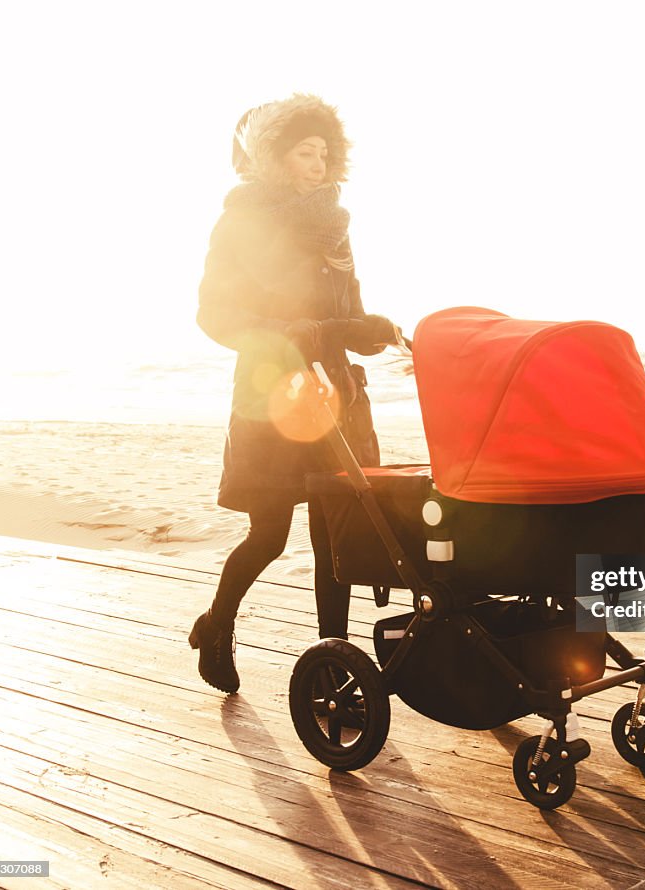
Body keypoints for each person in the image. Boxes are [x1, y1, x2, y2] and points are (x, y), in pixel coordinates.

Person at [189, 94, 400, 693]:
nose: (318, 162)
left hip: (334, 396)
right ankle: (218, 623)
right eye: (305, 151)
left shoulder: (336, 226)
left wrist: (370, 330)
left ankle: (333, 673)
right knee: (269, 534)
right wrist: (280, 337)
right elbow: (213, 314)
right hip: (271, 395)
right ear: (274, 156)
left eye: (325, 152)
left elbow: (347, 315)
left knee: (336, 539)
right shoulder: (242, 222)